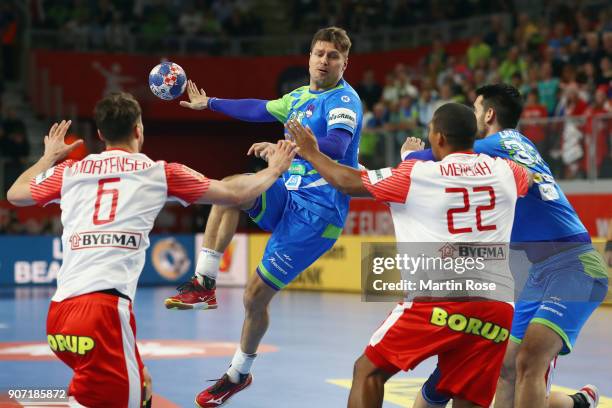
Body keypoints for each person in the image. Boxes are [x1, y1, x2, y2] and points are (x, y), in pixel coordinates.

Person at [6, 92, 296, 408]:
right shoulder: (159, 172)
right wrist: (275, 170)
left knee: (141, 385)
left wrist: (48, 157)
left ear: (100, 135)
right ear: (138, 130)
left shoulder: (70, 172)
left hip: (59, 316)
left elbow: (15, 194)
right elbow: (232, 193)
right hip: (101, 314)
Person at [163, 26, 362, 407]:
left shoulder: (344, 101)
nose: (324, 61)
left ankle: (238, 373)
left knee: (254, 297)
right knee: (229, 188)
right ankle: (203, 282)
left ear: (344, 63)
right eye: (319, 53)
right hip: (287, 192)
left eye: (333, 56)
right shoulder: (300, 96)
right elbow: (258, 108)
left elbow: (336, 144)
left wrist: (288, 148)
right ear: (308, 57)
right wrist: (211, 104)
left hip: (318, 213)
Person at [287, 103, 531, 408]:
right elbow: (527, 178)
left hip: (438, 301)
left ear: (439, 138)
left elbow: (347, 181)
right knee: (466, 396)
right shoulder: (506, 171)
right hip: (497, 307)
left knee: (368, 371)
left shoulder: (416, 174)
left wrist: (312, 152)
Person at [403, 84, 608, 408]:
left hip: (575, 265)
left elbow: (443, 155)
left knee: (529, 361)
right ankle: (580, 404)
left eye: (474, 109)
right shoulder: (518, 143)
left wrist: (408, 155)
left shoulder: (493, 145)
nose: (469, 119)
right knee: (507, 366)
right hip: (540, 272)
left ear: (489, 114)